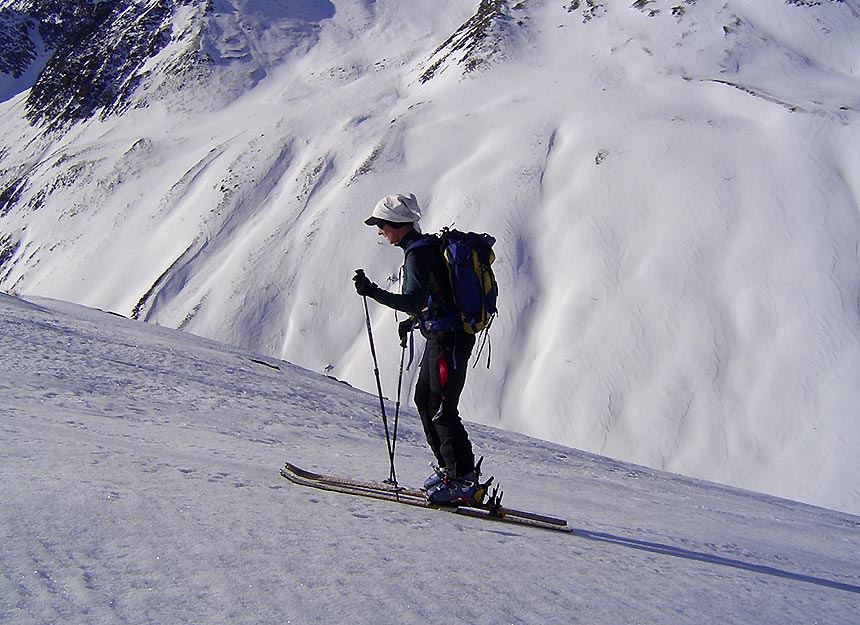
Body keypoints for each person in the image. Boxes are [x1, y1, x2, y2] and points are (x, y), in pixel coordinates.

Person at [353, 193, 481, 505]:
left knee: (440, 408)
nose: (380, 232)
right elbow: (433, 297)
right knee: (424, 399)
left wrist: (372, 291)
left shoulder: (418, 255)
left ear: (396, 225)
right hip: (442, 336)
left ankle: (464, 480)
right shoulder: (422, 249)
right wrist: (414, 321)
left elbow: (412, 299)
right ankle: (451, 471)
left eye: (381, 225)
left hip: (447, 341)